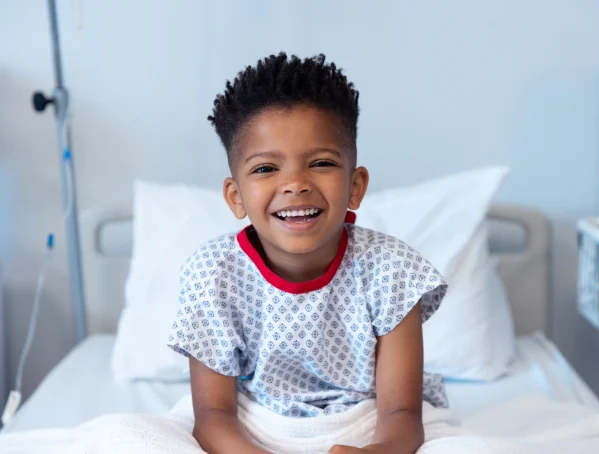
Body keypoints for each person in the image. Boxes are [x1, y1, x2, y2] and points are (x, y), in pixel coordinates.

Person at [167, 52, 448, 454]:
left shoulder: (392, 269)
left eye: (321, 163)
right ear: (235, 196)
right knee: (122, 438)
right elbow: (213, 416)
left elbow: (402, 413)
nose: (295, 184)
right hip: (250, 424)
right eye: (266, 169)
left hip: (368, 421)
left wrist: (376, 451)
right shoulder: (214, 272)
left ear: (355, 186)